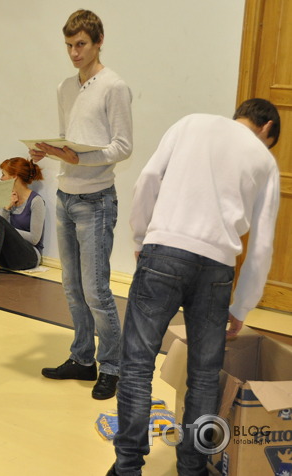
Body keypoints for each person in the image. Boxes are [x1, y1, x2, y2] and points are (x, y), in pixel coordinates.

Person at [108, 99, 281, 476]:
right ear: (267, 130)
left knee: (137, 364)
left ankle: (127, 468)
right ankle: (192, 467)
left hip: (165, 251)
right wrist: (242, 306)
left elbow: (148, 179)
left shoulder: (190, 123)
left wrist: (141, 238)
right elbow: (263, 246)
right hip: (217, 266)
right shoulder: (265, 161)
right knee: (204, 376)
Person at [32, 9, 132, 400]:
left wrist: (80, 160)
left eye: (81, 45)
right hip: (65, 195)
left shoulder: (114, 86)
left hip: (96, 200)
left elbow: (123, 146)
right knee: (71, 287)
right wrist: (48, 151)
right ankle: (82, 358)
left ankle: (113, 366)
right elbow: (67, 137)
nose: (74, 53)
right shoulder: (65, 87)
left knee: (96, 290)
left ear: (98, 41)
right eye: (69, 46)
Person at [0, 157, 45, 284]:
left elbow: (34, 238)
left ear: (14, 176)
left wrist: (8, 229)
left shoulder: (36, 201)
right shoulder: (5, 197)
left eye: (3, 174)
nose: (1, 179)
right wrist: (6, 208)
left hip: (28, 256)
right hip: (6, 257)